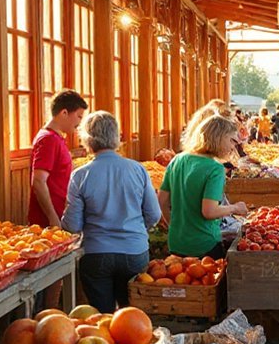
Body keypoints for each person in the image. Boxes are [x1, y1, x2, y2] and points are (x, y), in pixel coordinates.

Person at [62, 112, 160, 312]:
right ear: (117, 137)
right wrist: (137, 228)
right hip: (134, 251)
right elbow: (154, 215)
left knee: (102, 318)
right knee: (131, 316)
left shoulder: (80, 175)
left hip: (96, 253)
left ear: (87, 139)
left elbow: (72, 226)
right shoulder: (138, 170)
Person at [159, 115, 249, 258]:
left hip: (176, 242)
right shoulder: (215, 169)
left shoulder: (177, 159)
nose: (233, 147)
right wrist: (235, 208)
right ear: (218, 137)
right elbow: (209, 211)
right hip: (204, 245)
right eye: (232, 141)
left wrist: (174, 226)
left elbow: (162, 201)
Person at [28, 89, 88, 228]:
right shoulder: (48, 139)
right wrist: (52, 217)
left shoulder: (56, 137)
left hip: (62, 214)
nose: (79, 122)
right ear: (64, 113)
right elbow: (38, 181)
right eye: (79, 116)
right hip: (49, 222)